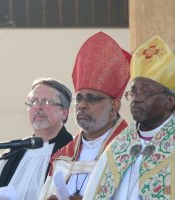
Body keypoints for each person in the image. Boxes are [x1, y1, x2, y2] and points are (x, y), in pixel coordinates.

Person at [83, 36, 175, 199]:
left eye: (146, 92)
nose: (136, 97)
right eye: (134, 91)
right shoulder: (117, 148)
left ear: (170, 101)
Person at [39, 32, 131, 200]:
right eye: (79, 98)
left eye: (92, 98)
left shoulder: (130, 151)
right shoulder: (62, 156)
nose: (81, 105)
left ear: (114, 107)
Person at [0, 78, 74, 200]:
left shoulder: (74, 152)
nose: (38, 107)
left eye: (46, 102)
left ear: (64, 113)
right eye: (33, 101)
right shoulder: (9, 155)